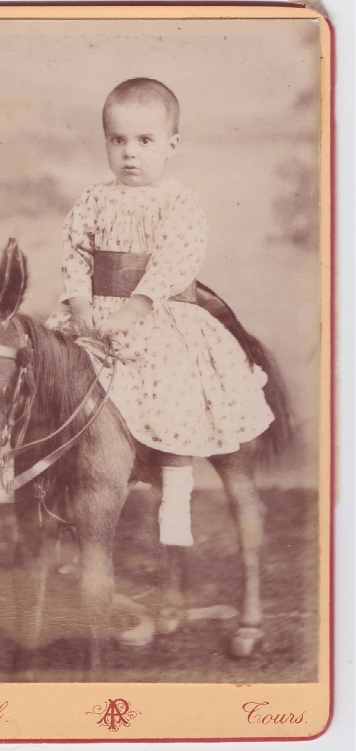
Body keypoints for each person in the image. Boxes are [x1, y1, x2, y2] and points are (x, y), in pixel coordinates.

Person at [47, 77, 274, 547]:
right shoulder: (94, 198)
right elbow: (76, 251)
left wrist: (136, 307)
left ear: (172, 145)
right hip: (97, 310)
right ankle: (31, 470)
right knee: (50, 375)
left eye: (145, 141)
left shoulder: (177, 201)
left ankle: (175, 497)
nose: (130, 153)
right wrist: (82, 302)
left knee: (174, 387)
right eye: (118, 140)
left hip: (156, 313)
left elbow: (177, 260)